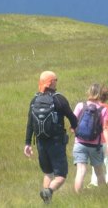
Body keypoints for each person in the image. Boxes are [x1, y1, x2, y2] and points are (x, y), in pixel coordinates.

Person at [24, 71, 78, 205]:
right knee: (61, 176)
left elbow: (30, 123)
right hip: (56, 143)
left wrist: (27, 143)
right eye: (56, 80)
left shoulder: (34, 100)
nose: (56, 82)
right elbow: (73, 118)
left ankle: (46, 203)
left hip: (40, 143)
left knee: (48, 173)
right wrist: (74, 127)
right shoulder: (59, 99)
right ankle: (49, 192)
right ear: (51, 82)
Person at [73, 84, 108, 193]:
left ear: (89, 92)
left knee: (80, 171)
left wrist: (73, 129)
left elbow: (73, 121)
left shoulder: (80, 105)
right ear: (99, 94)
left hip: (79, 143)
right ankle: (104, 195)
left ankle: (77, 197)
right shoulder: (103, 109)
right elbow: (105, 128)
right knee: (99, 171)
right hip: (95, 146)